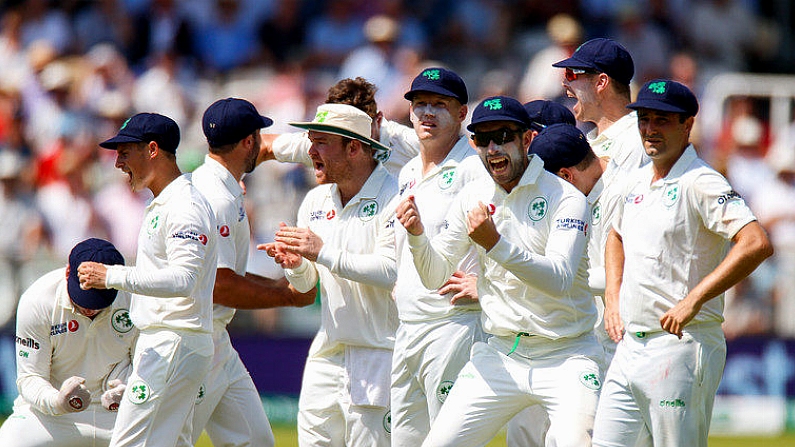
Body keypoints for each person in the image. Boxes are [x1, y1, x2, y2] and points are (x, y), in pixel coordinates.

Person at [398, 95, 603, 447]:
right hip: (501, 354)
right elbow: (435, 277)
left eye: (504, 135)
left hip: (567, 354)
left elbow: (559, 279)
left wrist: (495, 244)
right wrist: (417, 237)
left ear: (526, 139)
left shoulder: (566, 198)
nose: (493, 148)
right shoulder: (472, 196)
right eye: (482, 139)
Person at [593, 80, 773, 447]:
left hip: (681, 345)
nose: (650, 129)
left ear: (687, 125)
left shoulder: (702, 181)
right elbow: (616, 235)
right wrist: (613, 296)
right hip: (629, 346)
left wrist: (694, 299)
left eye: (662, 120)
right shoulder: (636, 180)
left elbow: (755, 242)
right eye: (644, 119)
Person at [261, 103, 399, 447]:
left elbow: (392, 271)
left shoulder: (396, 195)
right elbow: (310, 284)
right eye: (310, 140)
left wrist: (321, 251)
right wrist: (296, 267)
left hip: (381, 352)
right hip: (327, 351)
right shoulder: (316, 198)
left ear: (353, 147)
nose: (311, 151)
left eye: (321, 142)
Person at [77, 113, 218, 447]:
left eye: (125, 152)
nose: (118, 163)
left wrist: (110, 276)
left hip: (172, 343)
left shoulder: (185, 206)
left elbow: (184, 279)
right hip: (171, 342)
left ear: (152, 149)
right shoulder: (164, 203)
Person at [189, 98, 317, 447]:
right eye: (258, 136)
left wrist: (281, 288)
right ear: (249, 142)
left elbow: (227, 276)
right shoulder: (217, 197)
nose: (263, 143)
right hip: (190, 344)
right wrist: (286, 295)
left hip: (216, 341)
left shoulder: (219, 185)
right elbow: (219, 285)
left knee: (256, 441)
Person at [389, 67, 492, 447]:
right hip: (407, 325)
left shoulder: (475, 168)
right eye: (420, 104)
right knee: (404, 440)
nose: (427, 113)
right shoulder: (407, 171)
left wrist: (486, 284)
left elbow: (501, 233)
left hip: (453, 324)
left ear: (462, 113)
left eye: (439, 105)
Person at [0, 238, 136, 447]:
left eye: (100, 299)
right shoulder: (37, 300)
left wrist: (130, 391)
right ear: (67, 273)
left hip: (119, 415)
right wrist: (58, 401)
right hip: (50, 416)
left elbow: (149, 366)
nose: (91, 309)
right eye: (84, 296)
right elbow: (30, 378)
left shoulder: (136, 298)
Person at [257, 76, 419, 178]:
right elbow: (263, 145)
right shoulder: (323, 145)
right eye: (345, 130)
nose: (355, 139)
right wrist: (234, 179)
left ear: (378, 120)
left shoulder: (409, 142)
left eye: (361, 127)